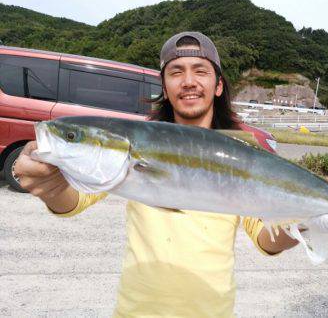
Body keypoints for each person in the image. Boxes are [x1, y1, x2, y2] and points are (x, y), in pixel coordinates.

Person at [15, 31, 300, 318]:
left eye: (200, 71)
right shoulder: (134, 142)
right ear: (164, 87)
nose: (188, 81)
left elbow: (266, 238)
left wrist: (306, 224)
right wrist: (50, 186)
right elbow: (73, 200)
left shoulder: (237, 154)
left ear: (218, 85)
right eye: (176, 72)